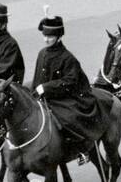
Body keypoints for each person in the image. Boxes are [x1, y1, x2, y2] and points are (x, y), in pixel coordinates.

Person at [32, 12, 102, 155]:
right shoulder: (42, 53)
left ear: (59, 37)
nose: (46, 40)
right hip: (46, 97)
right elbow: (37, 78)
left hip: (68, 97)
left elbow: (70, 82)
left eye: (50, 37)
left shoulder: (68, 58)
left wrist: (46, 88)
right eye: (44, 36)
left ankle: (81, 149)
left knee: (68, 119)